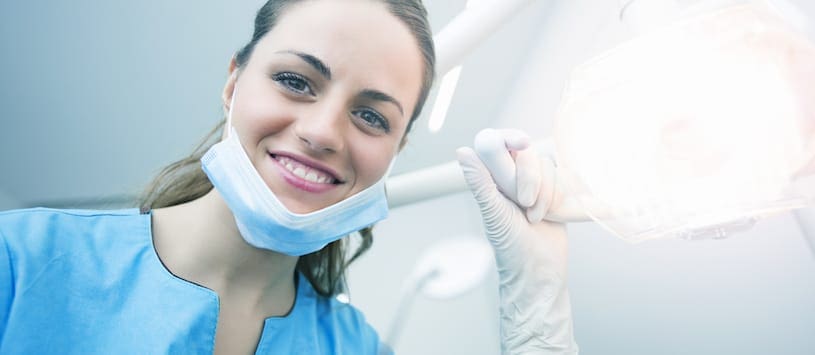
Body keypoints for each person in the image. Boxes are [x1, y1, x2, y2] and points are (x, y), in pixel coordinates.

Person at [0, 0, 577, 354]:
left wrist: (538, 317)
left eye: (371, 116)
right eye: (296, 80)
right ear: (233, 84)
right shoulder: (20, 260)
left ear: (395, 151)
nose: (324, 132)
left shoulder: (354, 349)